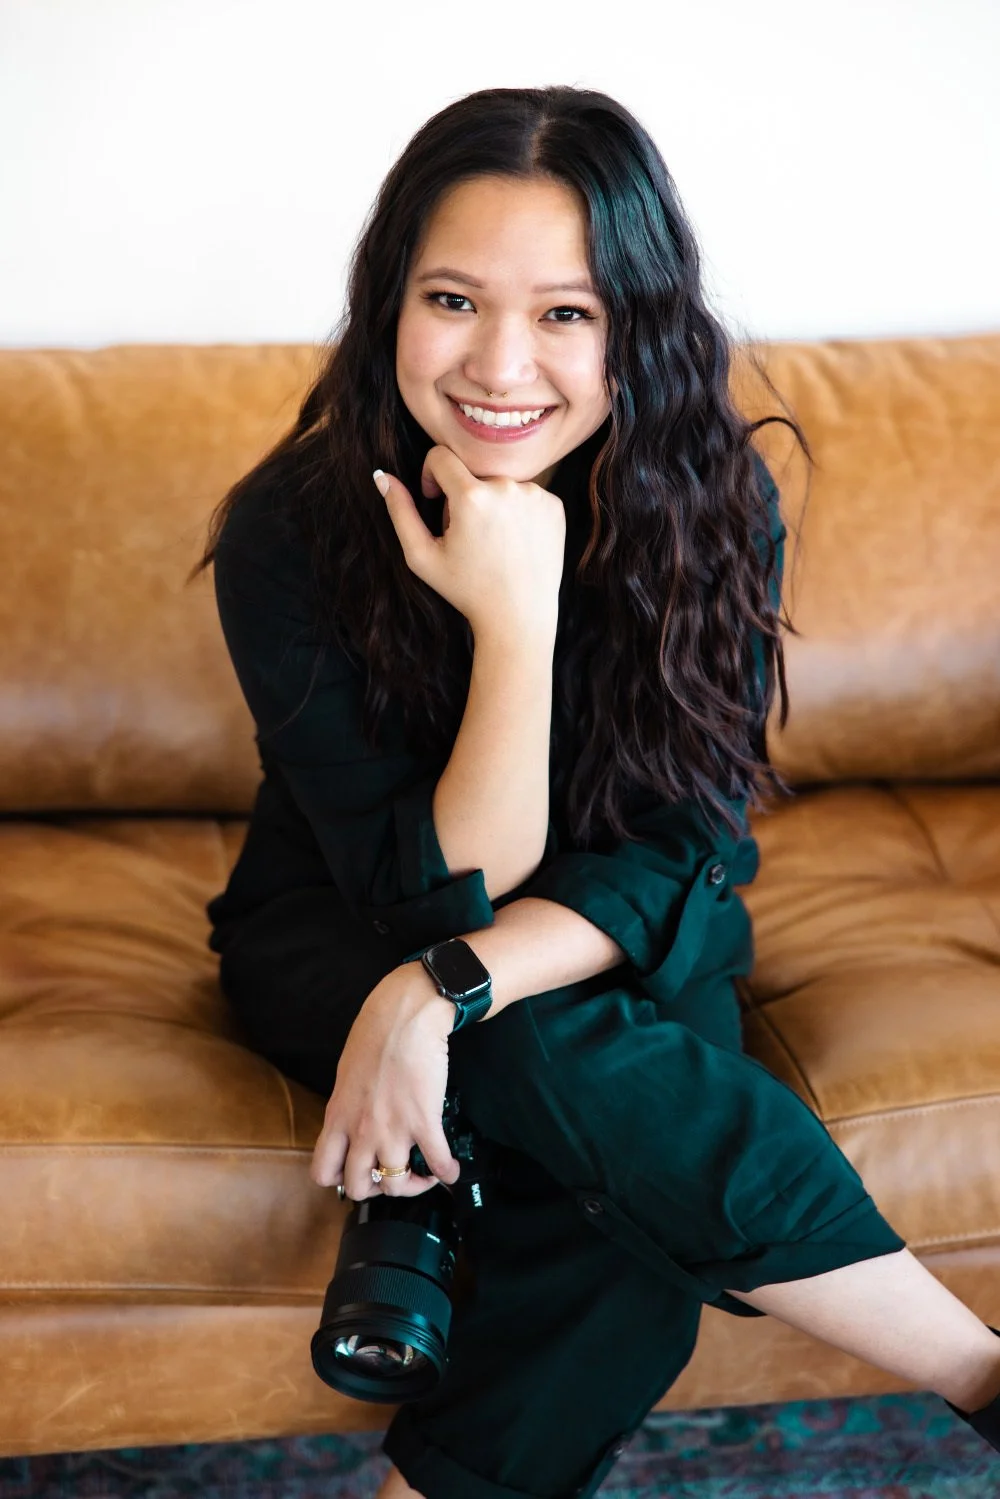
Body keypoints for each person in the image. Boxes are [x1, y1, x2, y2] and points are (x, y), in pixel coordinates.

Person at [191, 85, 1000, 1499]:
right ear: (389, 301)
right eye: (454, 299)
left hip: (616, 924)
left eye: (568, 311)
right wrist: (514, 623)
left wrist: (440, 994)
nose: (502, 364)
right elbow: (438, 894)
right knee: (601, 1117)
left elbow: (683, 842)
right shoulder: (291, 529)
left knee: (594, 1148)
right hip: (341, 922)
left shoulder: (711, 501)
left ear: (638, 324)